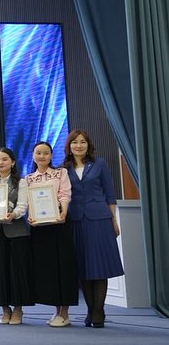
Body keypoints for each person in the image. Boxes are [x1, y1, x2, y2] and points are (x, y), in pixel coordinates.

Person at [62, 130, 124, 328]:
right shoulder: (64, 168)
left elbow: (110, 193)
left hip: (99, 219)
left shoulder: (100, 164)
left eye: (83, 142)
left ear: (88, 145)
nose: (79, 145)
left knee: (99, 266)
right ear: (69, 146)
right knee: (84, 267)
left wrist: (113, 220)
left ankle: (99, 311)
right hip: (75, 219)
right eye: (75, 142)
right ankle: (90, 310)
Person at [26, 141, 77, 327]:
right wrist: (29, 217)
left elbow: (65, 194)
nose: (42, 156)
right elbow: (29, 203)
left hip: (59, 223)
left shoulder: (60, 173)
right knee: (48, 269)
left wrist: (63, 212)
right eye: (38, 153)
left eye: (45, 153)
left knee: (62, 266)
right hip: (39, 228)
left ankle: (65, 312)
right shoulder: (29, 178)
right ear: (33, 155)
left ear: (51, 156)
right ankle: (56, 311)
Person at [0, 147, 33, 325]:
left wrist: (13, 214)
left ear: (12, 162)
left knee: (17, 271)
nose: (1, 162)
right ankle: (5, 309)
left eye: (4, 159)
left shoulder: (21, 182)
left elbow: (23, 206)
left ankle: (18, 309)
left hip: (16, 232)